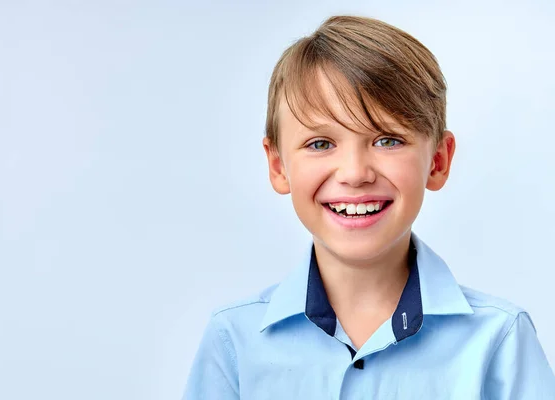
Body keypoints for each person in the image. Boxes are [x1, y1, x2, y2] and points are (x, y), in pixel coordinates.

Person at [182, 15, 555, 399]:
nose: (355, 173)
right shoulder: (233, 342)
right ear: (278, 166)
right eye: (321, 144)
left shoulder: (500, 341)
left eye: (388, 140)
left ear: (438, 161)